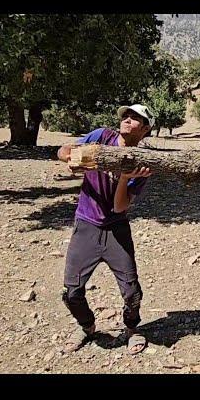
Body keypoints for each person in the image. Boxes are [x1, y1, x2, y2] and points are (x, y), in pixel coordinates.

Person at [56, 104, 154, 355]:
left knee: (132, 292)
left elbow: (120, 206)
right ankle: (86, 326)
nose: (128, 120)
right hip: (86, 224)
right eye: (127, 116)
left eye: (136, 119)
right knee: (72, 291)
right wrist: (71, 158)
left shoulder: (142, 165)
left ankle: (132, 329)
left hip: (115, 229)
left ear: (145, 129)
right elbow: (63, 149)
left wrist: (123, 177)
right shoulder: (101, 136)